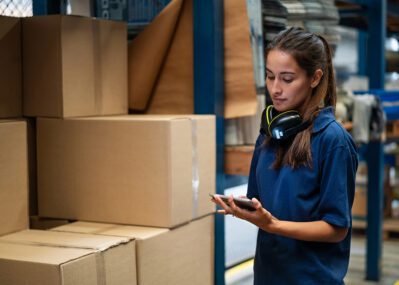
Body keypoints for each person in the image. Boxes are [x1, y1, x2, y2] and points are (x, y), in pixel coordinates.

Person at [212, 27, 358, 284]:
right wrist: (243, 208)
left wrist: (273, 225)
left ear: (315, 78)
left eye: (287, 79)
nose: (275, 89)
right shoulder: (268, 135)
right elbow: (261, 202)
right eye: (270, 77)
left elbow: (336, 228)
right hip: (268, 276)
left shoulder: (333, 142)